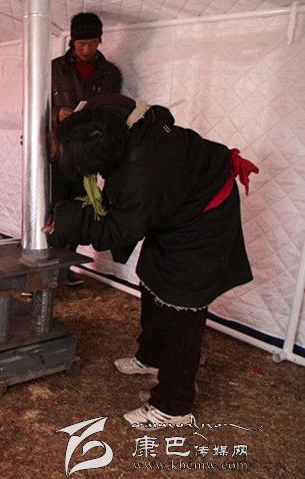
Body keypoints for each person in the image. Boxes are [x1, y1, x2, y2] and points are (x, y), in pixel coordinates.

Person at [44, 94, 257, 427]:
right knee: (152, 274)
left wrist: (67, 222)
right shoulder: (110, 117)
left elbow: (118, 231)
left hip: (204, 218)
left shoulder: (142, 177)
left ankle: (174, 406)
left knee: (181, 304)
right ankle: (151, 356)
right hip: (176, 200)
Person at [51, 12, 123, 285]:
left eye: (92, 43)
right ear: (72, 41)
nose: (86, 49)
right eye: (81, 43)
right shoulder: (55, 69)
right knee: (53, 204)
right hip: (59, 150)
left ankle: (64, 267)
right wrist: (57, 113)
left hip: (88, 152)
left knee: (81, 204)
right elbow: (36, 105)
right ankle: (46, 266)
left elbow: (113, 110)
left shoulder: (110, 73)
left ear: (100, 40)